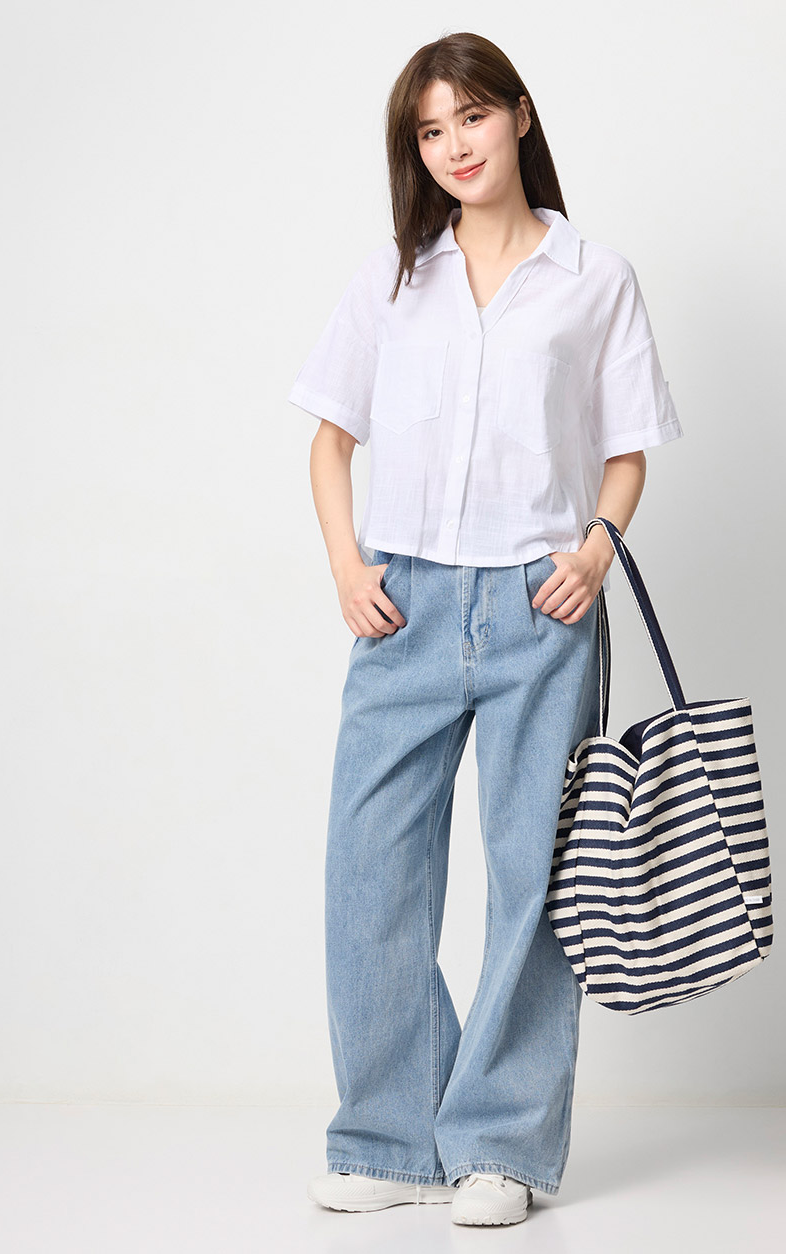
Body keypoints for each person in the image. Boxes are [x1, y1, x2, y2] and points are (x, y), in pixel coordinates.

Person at [288, 32, 682, 1227]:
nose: (454, 145)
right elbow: (329, 440)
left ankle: (501, 1145)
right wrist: (347, 565)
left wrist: (595, 548)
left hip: (537, 605)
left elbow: (627, 449)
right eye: (429, 130)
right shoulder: (392, 280)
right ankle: (390, 1137)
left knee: (533, 881)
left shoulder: (593, 278)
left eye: (470, 117)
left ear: (518, 115)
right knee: (370, 870)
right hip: (404, 604)